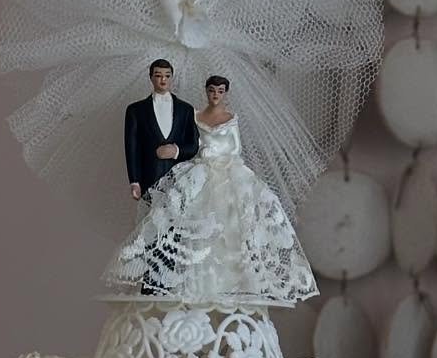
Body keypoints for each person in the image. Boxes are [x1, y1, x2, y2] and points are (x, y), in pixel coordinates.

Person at [104, 75, 319, 308]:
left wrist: (222, 160)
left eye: (220, 91)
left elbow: (236, 148)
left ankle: (233, 282)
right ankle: (189, 281)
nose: (215, 95)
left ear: (226, 93)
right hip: (200, 171)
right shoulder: (195, 116)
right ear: (206, 92)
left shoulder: (232, 118)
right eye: (212, 91)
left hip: (229, 172)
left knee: (232, 221)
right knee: (190, 220)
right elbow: (191, 144)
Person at [123, 59, 199, 204]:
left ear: (172, 77)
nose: (163, 79)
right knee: (150, 222)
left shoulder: (186, 109)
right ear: (151, 77)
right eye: (158, 75)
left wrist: (176, 150)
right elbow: (132, 148)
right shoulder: (135, 110)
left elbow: (194, 145)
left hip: (179, 180)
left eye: (167, 75)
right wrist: (134, 181)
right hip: (149, 179)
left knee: (177, 223)